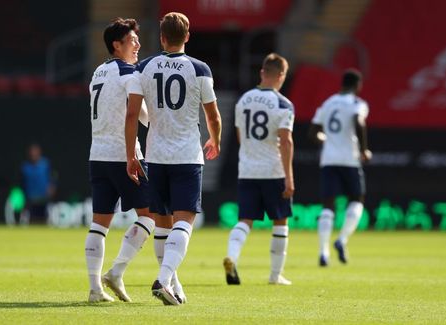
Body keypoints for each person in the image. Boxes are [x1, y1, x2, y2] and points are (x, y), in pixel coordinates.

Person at [125, 12, 222, 305]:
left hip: (155, 155)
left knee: (163, 225)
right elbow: (213, 115)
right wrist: (215, 139)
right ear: (187, 36)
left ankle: (173, 286)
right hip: (186, 156)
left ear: (162, 38)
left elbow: (132, 114)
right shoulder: (200, 69)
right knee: (184, 222)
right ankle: (164, 280)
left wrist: (131, 154)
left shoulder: (143, 67)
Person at [85, 17, 163, 303]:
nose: (138, 44)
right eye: (132, 40)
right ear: (117, 45)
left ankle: (95, 289)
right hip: (124, 155)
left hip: (98, 155)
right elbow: (137, 114)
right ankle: (116, 271)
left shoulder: (98, 72)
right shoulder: (131, 73)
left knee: (99, 224)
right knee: (151, 214)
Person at [223, 53, 295, 286]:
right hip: (273, 170)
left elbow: (239, 135)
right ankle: (275, 276)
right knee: (280, 221)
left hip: (247, 169)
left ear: (262, 72)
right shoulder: (283, 104)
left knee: (245, 220)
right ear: (281, 75)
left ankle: (232, 257)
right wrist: (289, 178)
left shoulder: (243, 100)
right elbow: (285, 142)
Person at [308, 68, 372, 267]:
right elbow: (358, 121)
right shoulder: (357, 104)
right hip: (350, 159)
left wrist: (326, 140)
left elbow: (313, 132)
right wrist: (364, 150)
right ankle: (342, 239)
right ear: (358, 85)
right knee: (357, 199)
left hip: (329, 159)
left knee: (328, 206)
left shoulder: (328, 103)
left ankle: (323, 252)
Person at [20, 143, 56, 224]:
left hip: (44, 199)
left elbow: (52, 179)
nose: (33, 153)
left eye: (35, 151)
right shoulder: (25, 167)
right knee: (32, 221)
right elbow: (22, 184)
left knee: (44, 220)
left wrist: (52, 188)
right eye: (32, 152)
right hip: (30, 200)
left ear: (39, 152)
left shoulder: (46, 164)